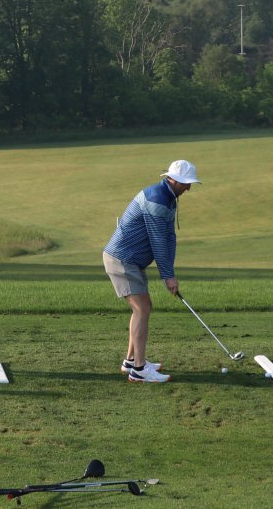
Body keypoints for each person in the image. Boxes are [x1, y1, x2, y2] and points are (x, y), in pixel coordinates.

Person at [103, 160, 200, 383]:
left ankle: (131, 361)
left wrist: (169, 272)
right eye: (186, 183)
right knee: (142, 308)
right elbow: (158, 242)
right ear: (173, 180)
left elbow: (169, 237)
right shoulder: (157, 199)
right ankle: (139, 370)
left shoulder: (168, 198)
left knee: (143, 307)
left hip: (131, 261)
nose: (188, 188)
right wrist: (167, 276)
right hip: (122, 259)